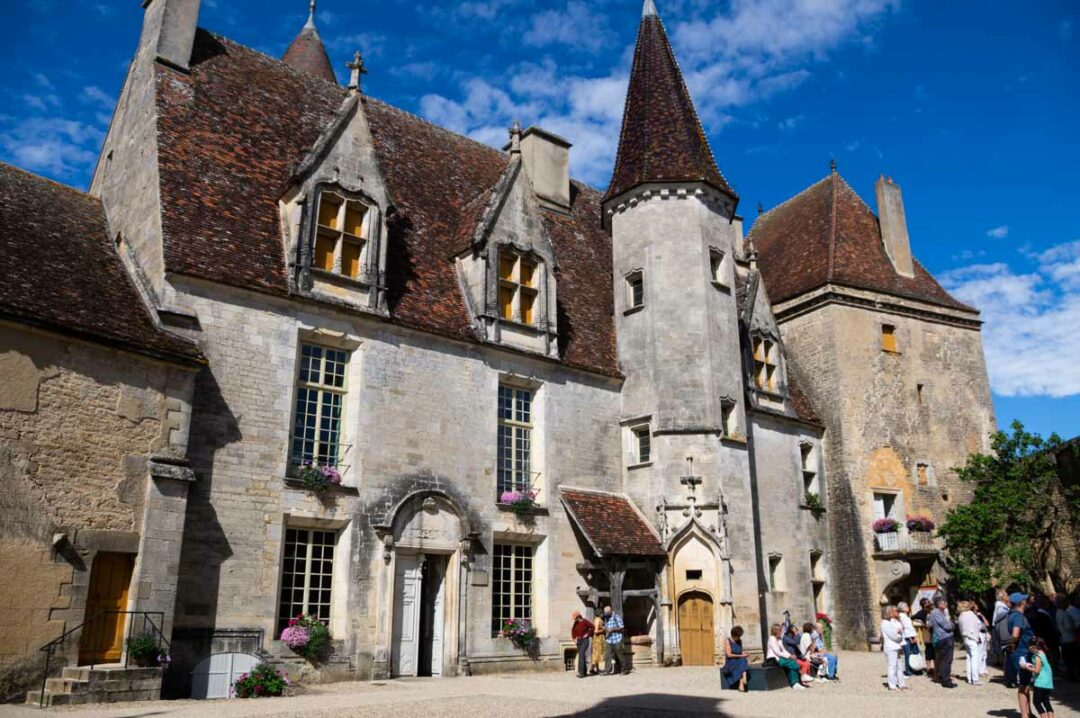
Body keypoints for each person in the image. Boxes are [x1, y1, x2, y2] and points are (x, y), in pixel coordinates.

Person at [1010, 593, 1036, 718]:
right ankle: (1024, 714)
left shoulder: (1015, 615)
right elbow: (1015, 634)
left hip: (1024, 652)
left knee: (1026, 685)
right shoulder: (1018, 616)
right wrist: (1013, 645)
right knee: (1024, 685)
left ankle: (1028, 712)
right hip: (1022, 653)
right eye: (1025, 599)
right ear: (1022, 602)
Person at [1023, 637, 1056, 718]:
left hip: (1040, 683)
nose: (1028, 649)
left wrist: (1026, 667)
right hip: (1048, 683)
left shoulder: (1037, 656)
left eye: (1029, 647)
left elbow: (1037, 670)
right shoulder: (1044, 654)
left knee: (1037, 702)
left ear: (1034, 647)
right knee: (1046, 702)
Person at [767, 623, 805, 690]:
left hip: (780, 658)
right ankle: (801, 677)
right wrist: (789, 657)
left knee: (792, 663)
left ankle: (795, 683)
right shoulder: (771, 639)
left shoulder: (779, 640)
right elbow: (777, 652)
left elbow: (784, 650)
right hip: (773, 659)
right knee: (792, 663)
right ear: (775, 631)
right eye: (779, 630)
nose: (781, 631)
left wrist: (790, 655)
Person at [929, 597, 957, 687]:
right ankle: (946, 680)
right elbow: (948, 626)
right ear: (940, 604)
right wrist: (952, 624)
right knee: (946, 659)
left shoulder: (940, 613)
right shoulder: (936, 613)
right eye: (944, 603)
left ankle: (943, 676)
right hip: (944, 638)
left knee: (944, 659)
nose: (946, 604)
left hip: (942, 638)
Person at [957, 600, 984, 685]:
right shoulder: (971, 614)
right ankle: (975, 679)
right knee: (975, 658)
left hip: (965, 638)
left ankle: (970, 678)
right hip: (972, 637)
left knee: (969, 658)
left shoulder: (960, 616)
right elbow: (979, 625)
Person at [881, 605, 907, 691]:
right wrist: (899, 636)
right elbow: (894, 636)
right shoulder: (885, 623)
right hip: (891, 647)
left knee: (900, 666)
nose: (893, 613)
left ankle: (901, 683)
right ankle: (892, 685)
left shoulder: (889, 622)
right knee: (892, 666)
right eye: (892, 611)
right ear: (888, 613)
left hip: (896, 646)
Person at [601, 605, 631, 675]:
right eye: (605, 613)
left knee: (620, 654)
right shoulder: (606, 618)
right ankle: (607, 670)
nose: (606, 615)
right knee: (607, 655)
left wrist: (613, 629)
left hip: (617, 638)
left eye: (607, 613)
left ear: (610, 611)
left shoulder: (616, 617)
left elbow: (622, 628)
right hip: (609, 639)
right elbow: (606, 626)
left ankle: (625, 669)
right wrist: (605, 629)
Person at [1055, 594, 1078, 681]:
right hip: (1070, 638)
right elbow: (1068, 626)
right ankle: (1072, 677)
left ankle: (1070, 675)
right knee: (1071, 660)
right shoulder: (1063, 613)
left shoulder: (1058, 612)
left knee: (1069, 660)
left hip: (1064, 639)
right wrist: (1074, 628)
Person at [913, 597, 937, 680]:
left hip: (934, 632)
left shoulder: (933, 611)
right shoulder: (922, 612)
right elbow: (912, 617)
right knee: (929, 649)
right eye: (927, 602)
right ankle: (929, 668)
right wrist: (921, 624)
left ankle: (935, 667)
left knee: (935, 649)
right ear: (924, 604)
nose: (929, 603)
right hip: (927, 632)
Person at [722, 626, 750, 692]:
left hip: (738, 661)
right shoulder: (728, 641)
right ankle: (744, 676)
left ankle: (742, 682)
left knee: (742, 659)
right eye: (737, 636)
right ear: (733, 635)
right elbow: (729, 655)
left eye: (739, 636)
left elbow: (740, 651)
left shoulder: (739, 641)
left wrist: (744, 654)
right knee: (742, 659)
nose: (738, 638)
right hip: (731, 662)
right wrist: (741, 655)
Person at [897, 602, 920, 675]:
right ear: (903, 608)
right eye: (907, 606)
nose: (908, 608)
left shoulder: (905, 616)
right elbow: (906, 629)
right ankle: (908, 670)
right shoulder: (902, 617)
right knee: (908, 654)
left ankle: (914, 668)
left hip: (911, 636)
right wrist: (911, 638)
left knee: (913, 654)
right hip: (907, 638)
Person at [571, 611, 593, 678]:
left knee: (581, 654)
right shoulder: (575, 623)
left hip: (585, 640)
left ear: (578, 617)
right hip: (579, 641)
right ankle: (585, 672)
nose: (574, 620)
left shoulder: (585, 621)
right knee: (582, 655)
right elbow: (573, 630)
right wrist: (574, 638)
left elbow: (592, 627)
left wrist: (588, 634)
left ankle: (581, 673)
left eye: (575, 618)